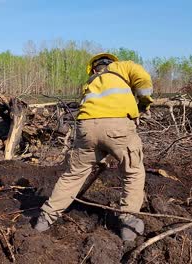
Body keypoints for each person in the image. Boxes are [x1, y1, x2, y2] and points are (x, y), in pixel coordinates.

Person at [34, 53, 153, 241]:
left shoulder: (90, 83)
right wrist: (144, 103)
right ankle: (128, 223)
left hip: (86, 129)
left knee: (74, 174)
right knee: (133, 172)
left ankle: (45, 218)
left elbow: (97, 121)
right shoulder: (123, 67)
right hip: (118, 127)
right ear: (112, 63)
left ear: (94, 68)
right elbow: (143, 78)